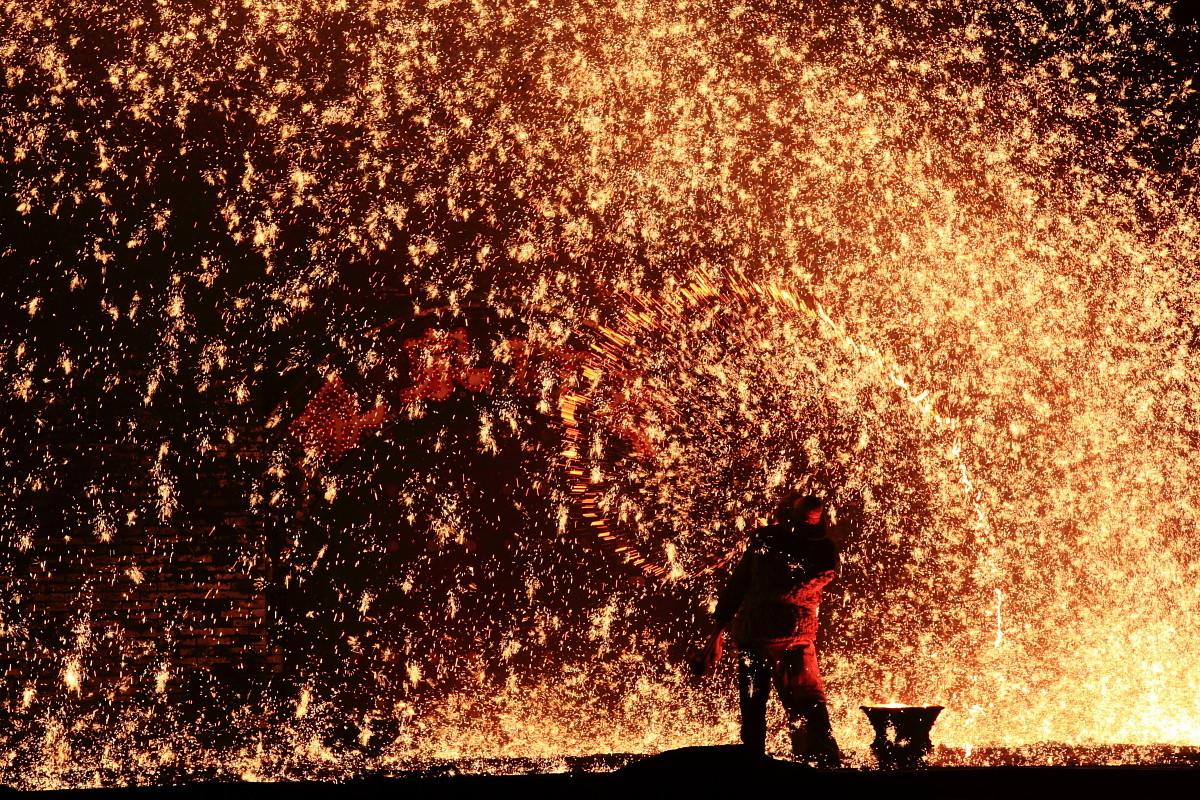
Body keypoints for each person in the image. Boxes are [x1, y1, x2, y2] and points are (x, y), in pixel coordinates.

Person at [693, 492, 842, 766]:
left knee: (766, 701)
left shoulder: (778, 543)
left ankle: (768, 762)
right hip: (785, 635)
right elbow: (741, 586)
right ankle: (814, 762)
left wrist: (719, 630)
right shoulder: (809, 548)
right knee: (798, 701)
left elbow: (739, 586)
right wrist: (717, 633)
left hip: (770, 634)